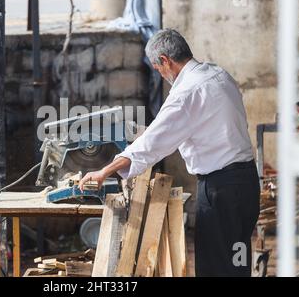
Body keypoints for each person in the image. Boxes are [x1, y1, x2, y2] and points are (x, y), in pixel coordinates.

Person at [79, 29, 260, 277]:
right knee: (237, 258)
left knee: (215, 266)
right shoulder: (220, 75)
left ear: (165, 60)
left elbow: (152, 144)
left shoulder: (186, 93)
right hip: (247, 182)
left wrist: (104, 171)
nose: (162, 76)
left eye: (158, 69)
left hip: (220, 189)